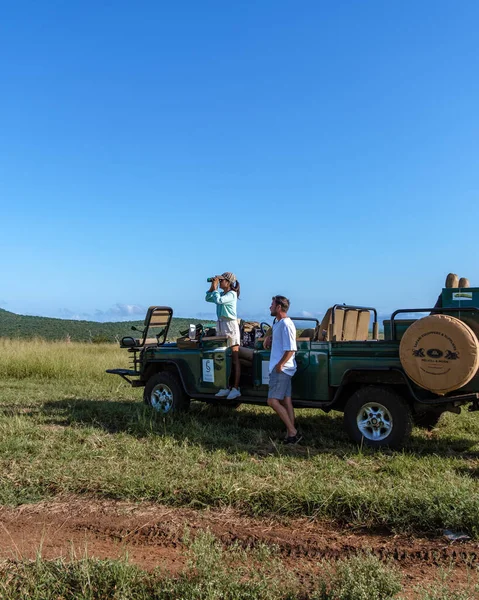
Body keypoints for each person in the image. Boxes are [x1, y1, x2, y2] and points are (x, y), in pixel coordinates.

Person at [265, 295, 301, 444]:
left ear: (279, 307)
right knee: (287, 401)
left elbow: (291, 348)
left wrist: (280, 365)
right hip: (285, 368)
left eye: (272, 304)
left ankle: (292, 431)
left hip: (282, 368)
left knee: (272, 401)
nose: (270, 307)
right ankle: (291, 435)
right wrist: (270, 337)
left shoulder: (286, 324)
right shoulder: (280, 324)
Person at [205, 272, 241, 400]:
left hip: (230, 326)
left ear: (228, 282)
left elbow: (219, 301)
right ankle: (225, 386)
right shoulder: (222, 293)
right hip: (221, 325)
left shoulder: (232, 294)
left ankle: (236, 388)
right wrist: (212, 287)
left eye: (221, 280)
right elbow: (208, 298)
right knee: (224, 359)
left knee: (235, 359)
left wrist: (215, 288)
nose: (219, 282)